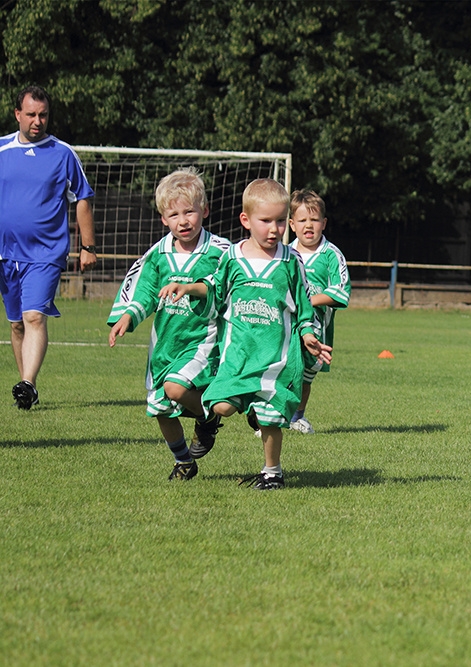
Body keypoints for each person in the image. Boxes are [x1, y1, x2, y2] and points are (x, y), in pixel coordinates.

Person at [160, 179, 332, 490]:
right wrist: (188, 287)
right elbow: (212, 288)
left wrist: (307, 334)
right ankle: (225, 418)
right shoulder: (232, 258)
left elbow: (304, 306)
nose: (275, 229)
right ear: (246, 220)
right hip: (237, 355)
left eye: (281, 221)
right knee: (221, 407)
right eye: (265, 221)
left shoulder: (291, 262)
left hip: (273, 358)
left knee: (268, 419)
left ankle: (273, 473)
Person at [107, 168, 230, 480]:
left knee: (174, 388)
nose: (183, 221)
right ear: (163, 218)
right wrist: (127, 316)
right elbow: (144, 291)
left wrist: (193, 288)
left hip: (202, 339)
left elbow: (228, 286)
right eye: (174, 214)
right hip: (164, 344)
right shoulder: (158, 254)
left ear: (205, 211)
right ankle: (184, 463)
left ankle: (206, 418)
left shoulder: (220, 251)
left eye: (190, 212)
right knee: (160, 408)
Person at [0, 85, 96, 410]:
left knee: (34, 317)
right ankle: (29, 386)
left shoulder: (63, 153)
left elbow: (82, 197)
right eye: (31, 114)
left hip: (45, 254)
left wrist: (88, 246)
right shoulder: (1, 149)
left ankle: (26, 382)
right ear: (17, 115)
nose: (38, 121)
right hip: (5, 254)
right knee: (16, 323)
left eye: (43, 115)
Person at [287, 189, 351, 435]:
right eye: (302, 220)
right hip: (286, 325)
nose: (308, 225)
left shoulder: (331, 255)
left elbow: (341, 291)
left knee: (305, 374)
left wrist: (308, 301)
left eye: (314, 220)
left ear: (324, 223)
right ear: (292, 224)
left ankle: (297, 417)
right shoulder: (285, 254)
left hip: (316, 327)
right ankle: (273, 418)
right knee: (282, 368)